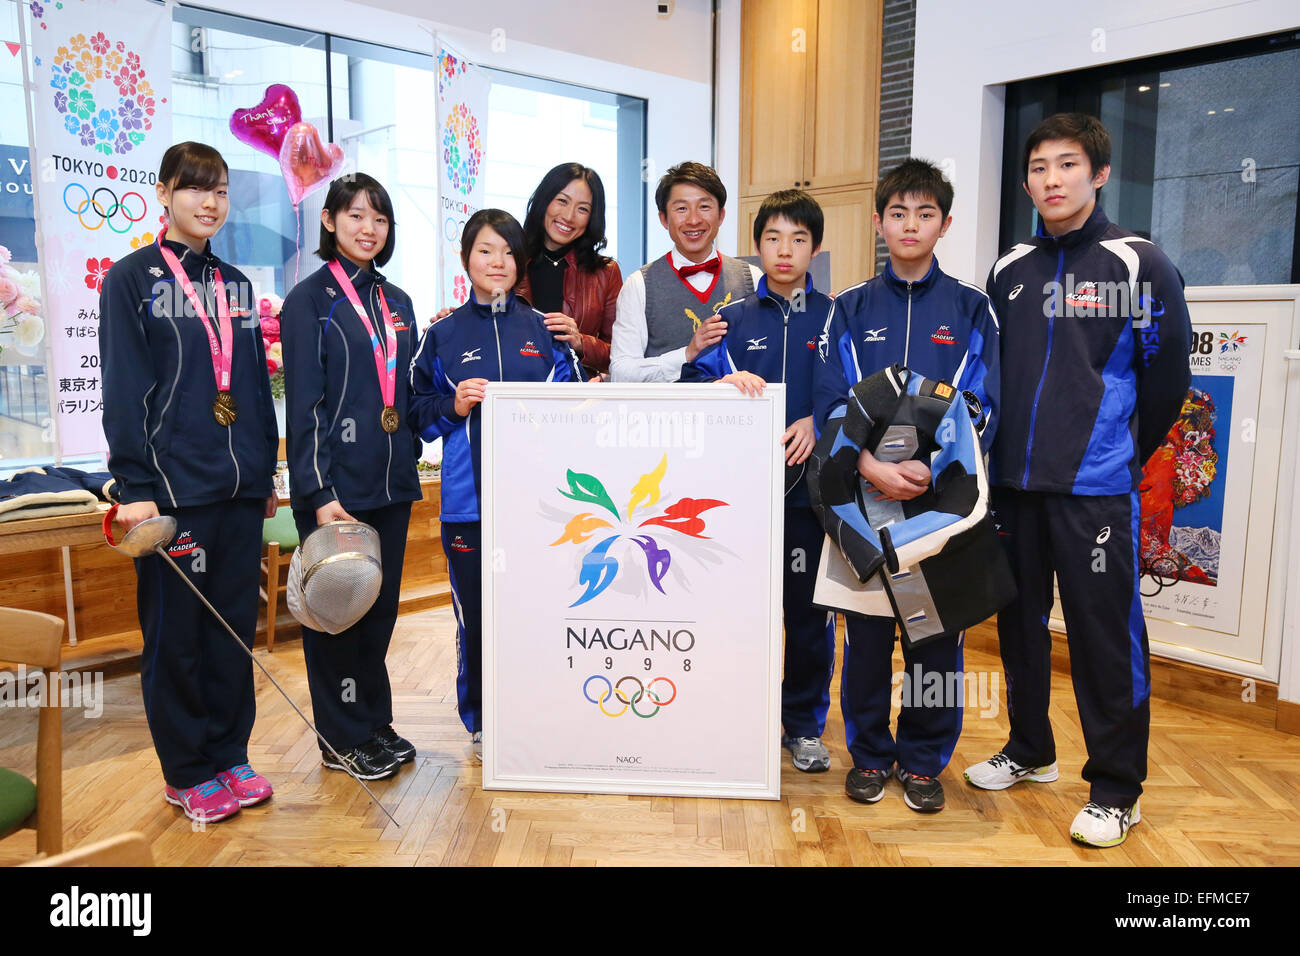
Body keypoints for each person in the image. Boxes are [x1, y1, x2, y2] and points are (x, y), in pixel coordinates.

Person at [964, 113, 1192, 847]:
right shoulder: (1010, 268)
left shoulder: (1137, 262)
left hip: (1095, 491)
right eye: (1038, 167)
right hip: (1013, 487)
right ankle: (1030, 749)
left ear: (1098, 173)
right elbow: (993, 373)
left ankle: (1117, 788)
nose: (1050, 179)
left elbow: (1166, 377)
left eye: (1066, 165)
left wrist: (1120, 455)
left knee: (1102, 636)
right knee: (1018, 626)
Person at [814, 158, 1000, 813]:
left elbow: (984, 405)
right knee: (864, 641)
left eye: (925, 214)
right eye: (898, 213)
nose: (911, 225)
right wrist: (870, 467)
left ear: (944, 223)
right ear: (878, 222)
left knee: (931, 641)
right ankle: (869, 754)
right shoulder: (848, 309)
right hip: (865, 507)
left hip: (934, 513)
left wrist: (930, 470)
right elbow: (830, 403)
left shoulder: (973, 310)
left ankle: (923, 761)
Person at [100, 141, 278, 824]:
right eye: (197, 188)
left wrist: (262, 471)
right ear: (165, 192)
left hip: (237, 490)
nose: (211, 202)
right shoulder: (131, 280)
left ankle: (231, 754)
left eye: (222, 191)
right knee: (177, 637)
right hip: (172, 494)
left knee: (232, 630)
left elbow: (256, 389)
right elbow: (124, 390)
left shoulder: (234, 283)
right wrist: (134, 484)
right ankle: (187, 770)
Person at [409, 209, 585, 762]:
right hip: (470, 506)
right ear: (467, 259)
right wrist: (454, 404)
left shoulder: (542, 330)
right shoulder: (441, 334)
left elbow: (578, 404)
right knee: (480, 617)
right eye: (487, 250)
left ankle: (539, 707)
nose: (498, 262)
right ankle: (484, 719)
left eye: (508, 252)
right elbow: (416, 412)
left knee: (540, 611)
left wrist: (572, 366)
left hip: (543, 510)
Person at [679, 189, 836, 773]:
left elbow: (857, 395)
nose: (785, 250)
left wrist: (819, 421)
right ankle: (733, 716)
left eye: (798, 239)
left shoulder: (835, 317)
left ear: (814, 248)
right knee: (734, 613)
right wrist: (720, 384)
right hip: (738, 501)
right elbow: (689, 388)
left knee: (806, 615)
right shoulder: (732, 320)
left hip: (811, 501)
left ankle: (803, 725)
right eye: (773, 238)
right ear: (756, 246)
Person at [281, 173, 422, 781]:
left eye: (380, 219)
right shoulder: (309, 301)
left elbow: (406, 392)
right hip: (337, 492)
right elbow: (305, 406)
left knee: (381, 612)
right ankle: (340, 735)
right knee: (338, 617)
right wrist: (317, 495)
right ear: (331, 221)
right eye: (357, 216)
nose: (369, 229)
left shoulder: (398, 303)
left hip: (391, 482)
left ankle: (372, 721)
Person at [609, 161, 761, 382]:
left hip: (738, 413)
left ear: (721, 216)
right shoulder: (639, 284)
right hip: (667, 414)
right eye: (681, 208)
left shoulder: (753, 278)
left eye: (704, 207)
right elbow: (621, 373)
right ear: (663, 219)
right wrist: (686, 355)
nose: (693, 220)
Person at [515, 162, 623, 379]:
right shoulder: (511, 260)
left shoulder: (606, 272)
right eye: (562, 201)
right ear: (544, 201)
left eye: (582, 209)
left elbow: (622, 355)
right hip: (514, 390)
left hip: (576, 397)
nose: (569, 216)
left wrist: (581, 341)